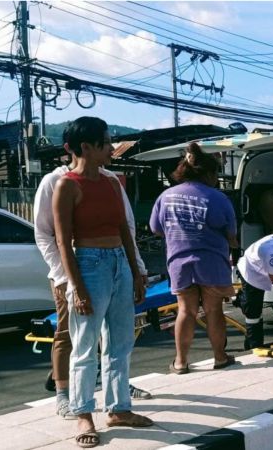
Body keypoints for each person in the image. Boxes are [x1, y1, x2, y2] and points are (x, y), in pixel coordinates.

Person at [33, 125, 151, 421]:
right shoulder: (62, 184)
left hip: (118, 263)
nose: (112, 149)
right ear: (86, 147)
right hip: (85, 265)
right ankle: (81, 412)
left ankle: (118, 408)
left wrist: (137, 271)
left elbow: (126, 228)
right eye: (107, 144)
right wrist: (72, 283)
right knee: (81, 343)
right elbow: (56, 238)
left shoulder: (112, 182)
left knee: (119, 342)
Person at [149, 142, 239, 373]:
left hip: (178, 262)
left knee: (185, 311)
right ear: (209, 173)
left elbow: (156, 229)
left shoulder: (165, 196)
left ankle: (180, 362)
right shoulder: (218, 198)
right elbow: (231, 235)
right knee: (213, 311)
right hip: (212, 262)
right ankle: (220, 357)